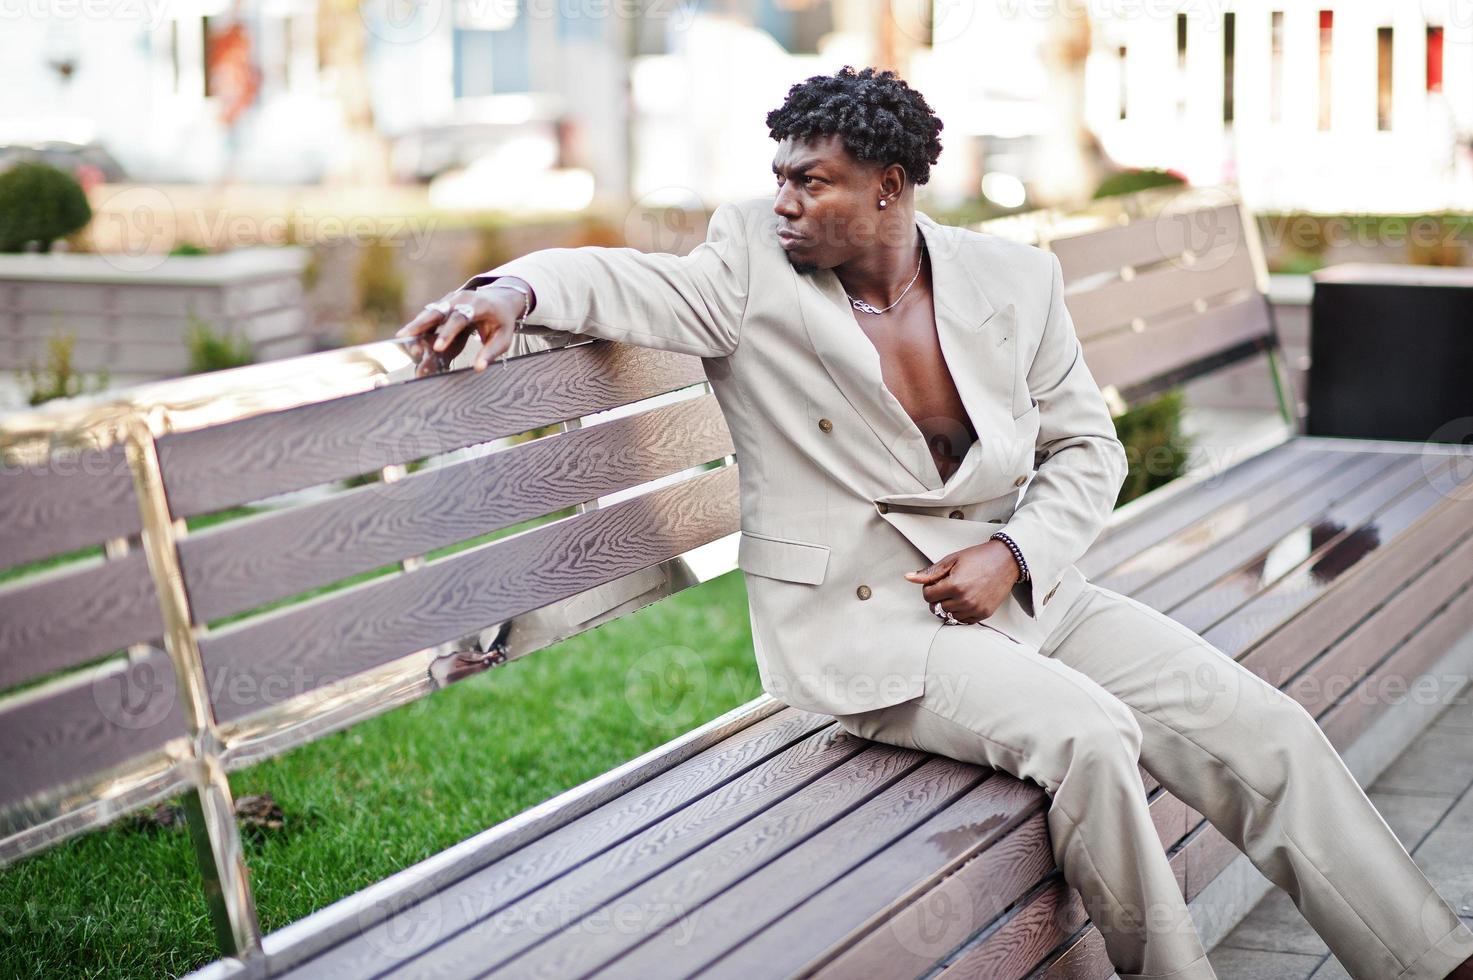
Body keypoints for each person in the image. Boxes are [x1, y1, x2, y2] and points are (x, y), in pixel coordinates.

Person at [396, 65, 1473, 980]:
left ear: (889, 188)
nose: (781, 201)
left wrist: (1015, 552)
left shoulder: (1013, 277)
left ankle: (1430, 956)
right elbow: (620, 278)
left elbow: (1089, 451)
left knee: (1264, 728)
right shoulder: (748, 269)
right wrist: (512, 295)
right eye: (776, 176)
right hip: (866, 624)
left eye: (809, 182)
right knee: (1092, 736)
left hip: (1019, 589)